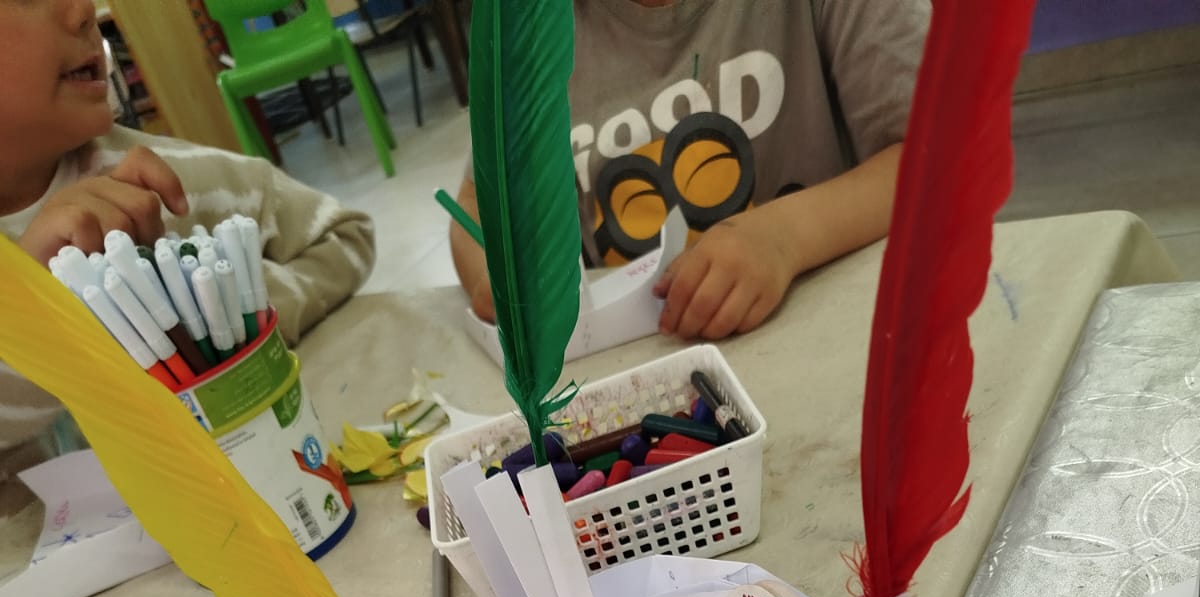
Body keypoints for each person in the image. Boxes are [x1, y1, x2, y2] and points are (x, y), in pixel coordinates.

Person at [0, 0, 374, 456]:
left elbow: (345, 234)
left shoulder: (157, 184)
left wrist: (228, 316)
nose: (83, 11)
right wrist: (30, 316)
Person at [450, 0, 930, 342]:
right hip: (643, 382)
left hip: (834, 341)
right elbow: (475, 203)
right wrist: (496, 273)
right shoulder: (528, 30)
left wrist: (787, 236)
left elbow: (934, 163)